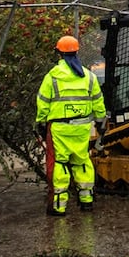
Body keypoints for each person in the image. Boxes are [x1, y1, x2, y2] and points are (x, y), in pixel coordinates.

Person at [36, 35, 107, 216]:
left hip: (60, 128)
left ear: (58, 53)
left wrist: (40, 123)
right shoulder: (89, 77)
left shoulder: (52, 76)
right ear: (77, 52)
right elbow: (98, 102)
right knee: (81, 160)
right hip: (82, 127)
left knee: (60, 163)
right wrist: (101, 123)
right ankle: (86, 201)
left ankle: (59, 207)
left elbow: (43, 102)